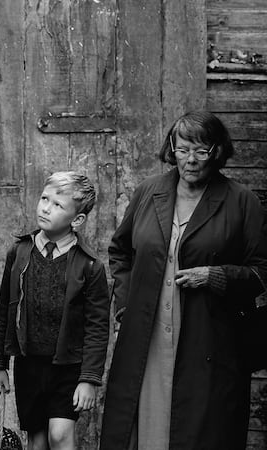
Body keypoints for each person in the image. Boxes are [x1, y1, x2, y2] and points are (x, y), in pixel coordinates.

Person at [100, 111, 267, 449]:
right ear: (172, 148)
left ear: (217, 152)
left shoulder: (241, 201)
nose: (190, 160)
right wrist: (126, 305)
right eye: (183, 149)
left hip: (209, 338)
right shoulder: (149, 192)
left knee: (199, 430)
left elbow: (261, 271)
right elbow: (120, 251)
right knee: (140, 423)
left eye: (201, 151)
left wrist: (216, 276)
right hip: (147, 335)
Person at [0, 172, 110, 450]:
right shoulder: (19, 252)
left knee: (60, 434)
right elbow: (4, 310)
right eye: (45, 199)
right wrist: (0, 364)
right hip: (28, 365)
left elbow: (97, 327)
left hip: (68, 368)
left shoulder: (89, 266)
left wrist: (89, 379)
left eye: (58, 205)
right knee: (37, 441)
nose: (46, 208)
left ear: (77, 220)